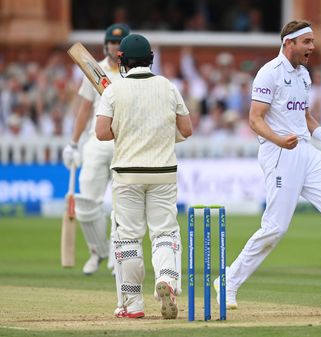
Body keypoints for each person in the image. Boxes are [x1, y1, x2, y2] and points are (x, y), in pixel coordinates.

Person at [214, 20, 321, 308]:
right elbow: (255, 118)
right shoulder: (269, 73)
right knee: (275, 228)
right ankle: (228, 281)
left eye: (312, 42)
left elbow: (305, 116)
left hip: (306, 153)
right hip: (280, 155)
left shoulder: (303, 75)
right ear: (288, 43)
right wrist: (278, 140)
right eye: (307, 42)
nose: (312, 48)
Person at [95, 34, 192, 319]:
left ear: (122, 60)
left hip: (127, 175)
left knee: (128, 238)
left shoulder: (113, 91)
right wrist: (159, 135)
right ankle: (167, 278)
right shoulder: (168, 86)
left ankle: (133, 304)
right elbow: (186, 130)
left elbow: (101, 132)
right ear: (151, 58)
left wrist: (127, 132)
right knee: (165, 232)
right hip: (163, 172)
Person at [62, 23, 130, 275]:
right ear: (106, 45)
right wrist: (73, 142)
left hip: (124, 142)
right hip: (95, 141)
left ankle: (117, 252)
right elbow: (83, 109)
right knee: (86, 202)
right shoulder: (94, 69)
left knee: (122, 203)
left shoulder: (134, 71)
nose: (116, 46)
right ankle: (97, 251)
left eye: (121, 42)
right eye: (112, 43)